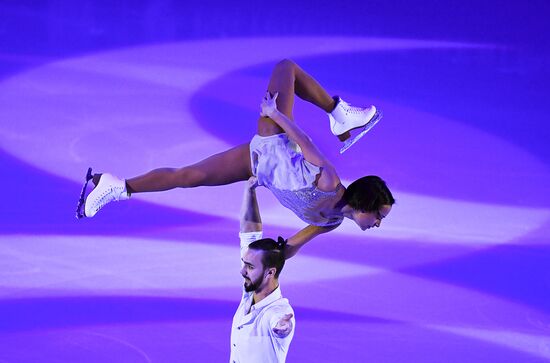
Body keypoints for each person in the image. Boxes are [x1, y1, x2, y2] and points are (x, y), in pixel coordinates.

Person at [77, 59, 395, 258]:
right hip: (274, 138)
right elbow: (306, 141)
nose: (379, 223)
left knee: (189, 177)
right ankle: (340, 114)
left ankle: (115, 186)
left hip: (255, 165)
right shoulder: (329, 181)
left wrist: (262, 261)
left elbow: (291, 248)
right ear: (364, 202)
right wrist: (274, 114)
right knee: (286, 68)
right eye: (379, 215)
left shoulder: (330, 222)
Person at [231, 176, 295, 363]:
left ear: (270, 272)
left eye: (249, 267)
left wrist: (284, 328)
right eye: (244, 263)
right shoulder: (250, 292)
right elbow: (249, 233)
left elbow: (281, 325)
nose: (242, 271)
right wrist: (250, 190)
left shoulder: (278, 311)